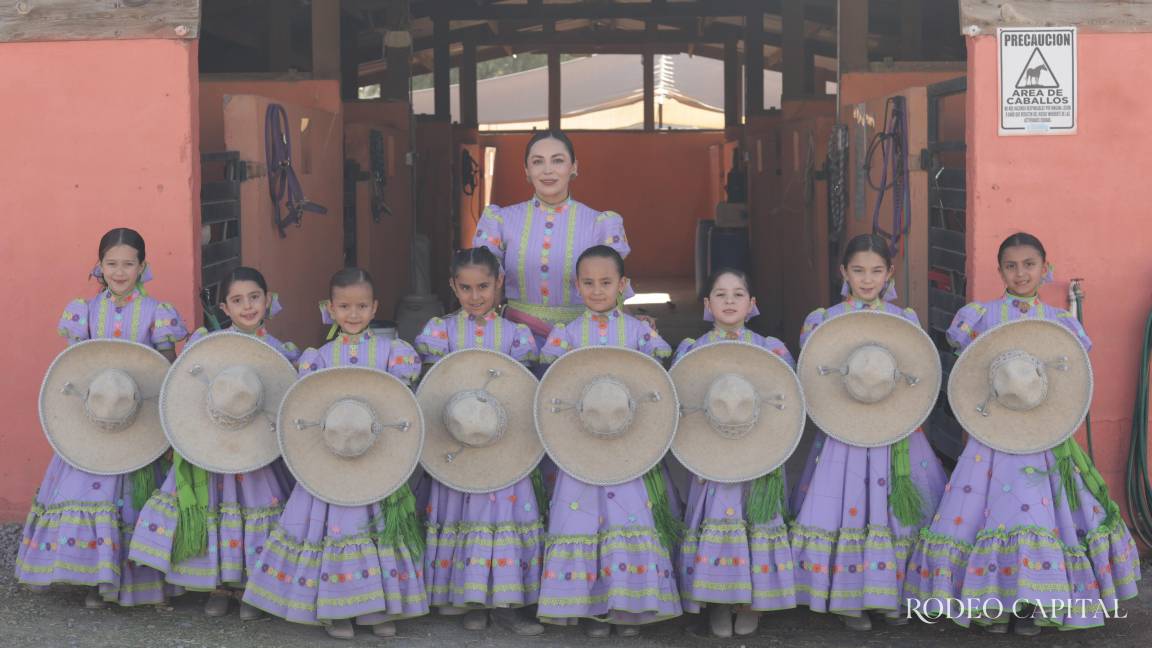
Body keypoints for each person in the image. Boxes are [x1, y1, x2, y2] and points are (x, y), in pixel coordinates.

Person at [904, 232, 1141, 634]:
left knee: (1035, 509)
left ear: (1045, 268)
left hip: (1043, 436)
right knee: (991, 512)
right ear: (999, 271)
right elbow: (970, 369)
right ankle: (992, 603)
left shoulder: (1060, 323)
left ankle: (1030, 603)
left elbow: (1069, 376)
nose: (1020, 273)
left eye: (1029, 264)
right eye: (1011, 266)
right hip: (992, 435)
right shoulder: (980, 316)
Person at [241, 268, 427, 640]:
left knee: (374, 527)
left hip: (377, 456)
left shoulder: (394, 353)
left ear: (375, 308)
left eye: (361, 306)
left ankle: (376, 607)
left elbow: (400, 406)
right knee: (334, 530)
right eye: (344, 307)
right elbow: (307, 408)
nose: (353, 314)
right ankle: (335, 609)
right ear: (330, 309)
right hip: (329, 458)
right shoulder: (320, 358)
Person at [16, 227, 188, 608]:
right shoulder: (85, 311)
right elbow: (75, 367)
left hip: (139, 421)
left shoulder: (158, 314)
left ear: (143, 266)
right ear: (100, 266)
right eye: (112, 264)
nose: (119, 272)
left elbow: (167, 370)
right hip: (95, 422)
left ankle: (136, 581)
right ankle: (95, 577)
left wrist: (165, 422)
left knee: (133, 498)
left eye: (128, 264)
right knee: (89, 491)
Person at [789, 233, 947, 630]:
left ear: (890, 272)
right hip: (843, 427)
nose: (867, 279)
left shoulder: (904, 320)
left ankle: (891, 594)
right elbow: (815, 377)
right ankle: (850, 597)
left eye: (876, 271)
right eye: (858, 270)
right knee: (850, 506)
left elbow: (917, 373)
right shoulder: (823, 321)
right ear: (843, 271)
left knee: (892, 507)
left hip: (894, 426)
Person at [128, 267, 299, 619]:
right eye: (237, 300)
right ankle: (218, 585)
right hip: (212, 442)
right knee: (218, 510)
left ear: (268, 300)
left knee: (253, 509)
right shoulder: (206, 346)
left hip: (256, 448)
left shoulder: (279, 353)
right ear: (224, 308)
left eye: (254, 297)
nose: (247, 306)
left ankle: (250, 588)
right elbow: (188, 390)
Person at [535, 245, 680, 637]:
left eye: (606, 282)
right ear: (576, 285)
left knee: (627, 514)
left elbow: (655, 382)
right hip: (579, 444)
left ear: (622, 284)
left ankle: (627, 608)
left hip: (629, 442)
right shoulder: (565, 335)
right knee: (581, 516)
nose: (597, 290)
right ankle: (590, 608)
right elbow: (555, 387)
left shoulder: (640, 332)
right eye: (588, 283)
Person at [414, 248, 545, 635]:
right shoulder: (440, 332)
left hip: (505, 444)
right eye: (466, 288)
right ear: (453, 286)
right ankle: (469, 600)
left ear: (499, 282)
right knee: (464, 517)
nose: (475, 296)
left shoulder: (516, 336)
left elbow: (521, 391)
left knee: (502, 517)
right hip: (458, 444)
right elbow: (434, 389)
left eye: (483, 286)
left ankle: (504, 604)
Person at [672, 268, 798, 637]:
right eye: (720, 294)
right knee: (718, 518)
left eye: (738, 294)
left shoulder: (770, 349)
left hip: (759, 450)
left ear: (752, 303)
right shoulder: (693, 351)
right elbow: (682, 404)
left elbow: (787, 401)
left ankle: (750, 604)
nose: (729, 300)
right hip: (711, 452)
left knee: (755, 520)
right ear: (707, 304)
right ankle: (718, 601)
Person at [472, 130, 631, 347]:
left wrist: (634, 327)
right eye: (538, 162)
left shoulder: (600, 224)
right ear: (527, 170)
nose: (548, 170)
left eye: (557, 160)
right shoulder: (501, 220)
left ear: (573, 167)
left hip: (583, 341)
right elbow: (482, 286)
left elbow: (614, 292)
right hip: (517, 340)